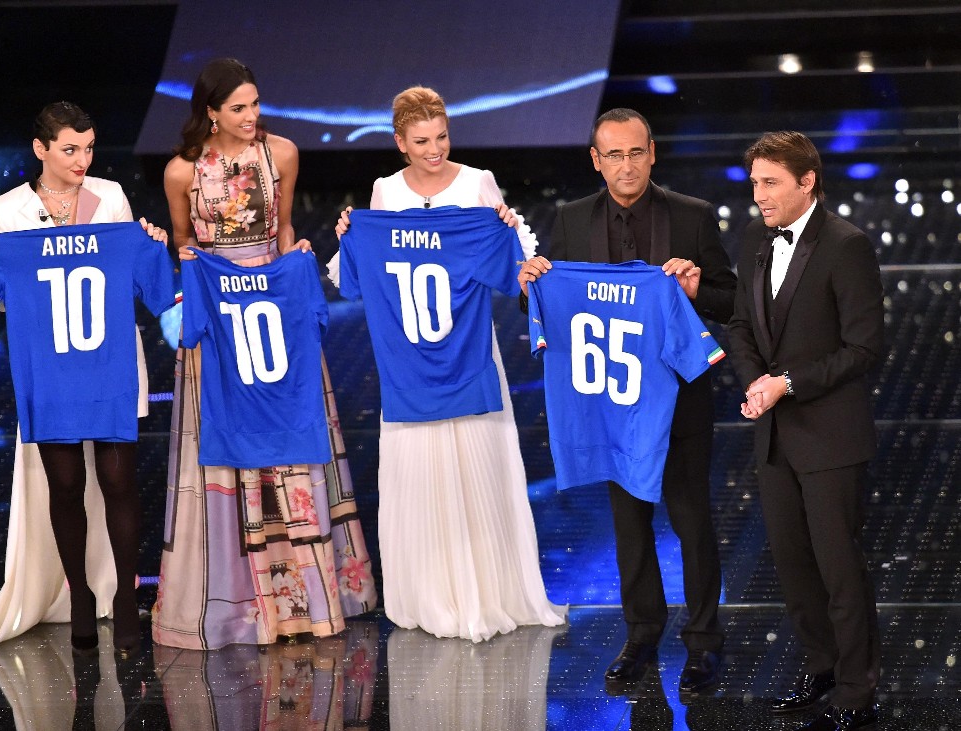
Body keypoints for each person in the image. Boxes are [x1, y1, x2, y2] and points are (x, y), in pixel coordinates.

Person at [0, 101, 168, 655]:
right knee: (65, 486)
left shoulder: (111, 196)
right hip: (51, 369)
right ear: (40, 150)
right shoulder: (9, 209)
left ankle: (125, 598)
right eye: (70, 149)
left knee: (118, 483)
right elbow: (3, 303)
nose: (82, 159)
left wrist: (150, 243)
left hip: (110, 363)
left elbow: (134, 277)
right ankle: (79, 595)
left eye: (89, 148)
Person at [154, 57, 376, 650]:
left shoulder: (281, 154)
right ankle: (239, 603)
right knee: (225, 440)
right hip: (220, 320)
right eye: (238, 108)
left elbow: (282, 230)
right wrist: (199, 271)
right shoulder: (182, 171)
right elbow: (184, 242)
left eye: (255, 104)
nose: (251, 116)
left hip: (275, 312)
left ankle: (308, 599)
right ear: (211, 112)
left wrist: (293, 262)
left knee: (290, 432)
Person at [330, 86, 565, 642]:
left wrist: (508, 230)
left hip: (470, 359)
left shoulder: (477, 182)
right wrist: (349, 236)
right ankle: (432, 594)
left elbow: (516, 273)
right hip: (409, 371)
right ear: (400, 142)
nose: (434, 149)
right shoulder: (384, 192)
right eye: (421, 141)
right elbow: (355, 278)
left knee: (481, 473)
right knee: (421, 480)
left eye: (441, 137)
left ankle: (489, 592)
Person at [519, 108, 736, 692]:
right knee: (630, 526)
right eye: (614, 155)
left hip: (679, 401)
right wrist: (530, 283)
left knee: (692, 521)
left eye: (636, 152)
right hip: (612, 404)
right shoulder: (572, 220)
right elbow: (546, 305)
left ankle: (704, 642)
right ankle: (642, 635)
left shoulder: (691, 216)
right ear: (596, 160)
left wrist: (696, 289)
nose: (627, 165)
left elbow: (730, 299)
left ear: (652, 152)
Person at [727, 131, 882, 730]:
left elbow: (863, 349)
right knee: (794, 567)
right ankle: (821, 667)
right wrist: (755, 383)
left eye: (771, 183)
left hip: (831, 440)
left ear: (807, 181)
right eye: (755, 183)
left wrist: (786, 383)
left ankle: (856, 692)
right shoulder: (754, 238)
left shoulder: (847, 246)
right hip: (774, 438)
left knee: (839, 570)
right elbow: (742, 325)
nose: (759, 195)